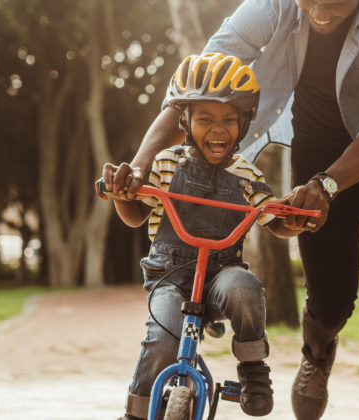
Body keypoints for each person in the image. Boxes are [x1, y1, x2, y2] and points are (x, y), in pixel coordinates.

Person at [118, 0, 359, 419]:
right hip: (320, 140)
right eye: (309, 2)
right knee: (331, 297)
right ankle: (317, 353)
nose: (321, 15)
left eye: (335, 5)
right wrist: (141, 165)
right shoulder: (272, 4)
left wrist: (326, 185)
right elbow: (199, 78)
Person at [101, 53, 306, 420]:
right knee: (163, 340)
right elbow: (135, 215)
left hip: (220, 276)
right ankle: (135, 412)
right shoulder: (165, 163)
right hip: (169, 278)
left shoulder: (247, 174)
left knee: (244, 286)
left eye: (229, 120)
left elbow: (272, 218)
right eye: (206, 118)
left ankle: (253, 369)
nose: (218, 129)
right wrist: (122, 193)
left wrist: (294, 218)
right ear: (185, 120)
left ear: (244, 124)